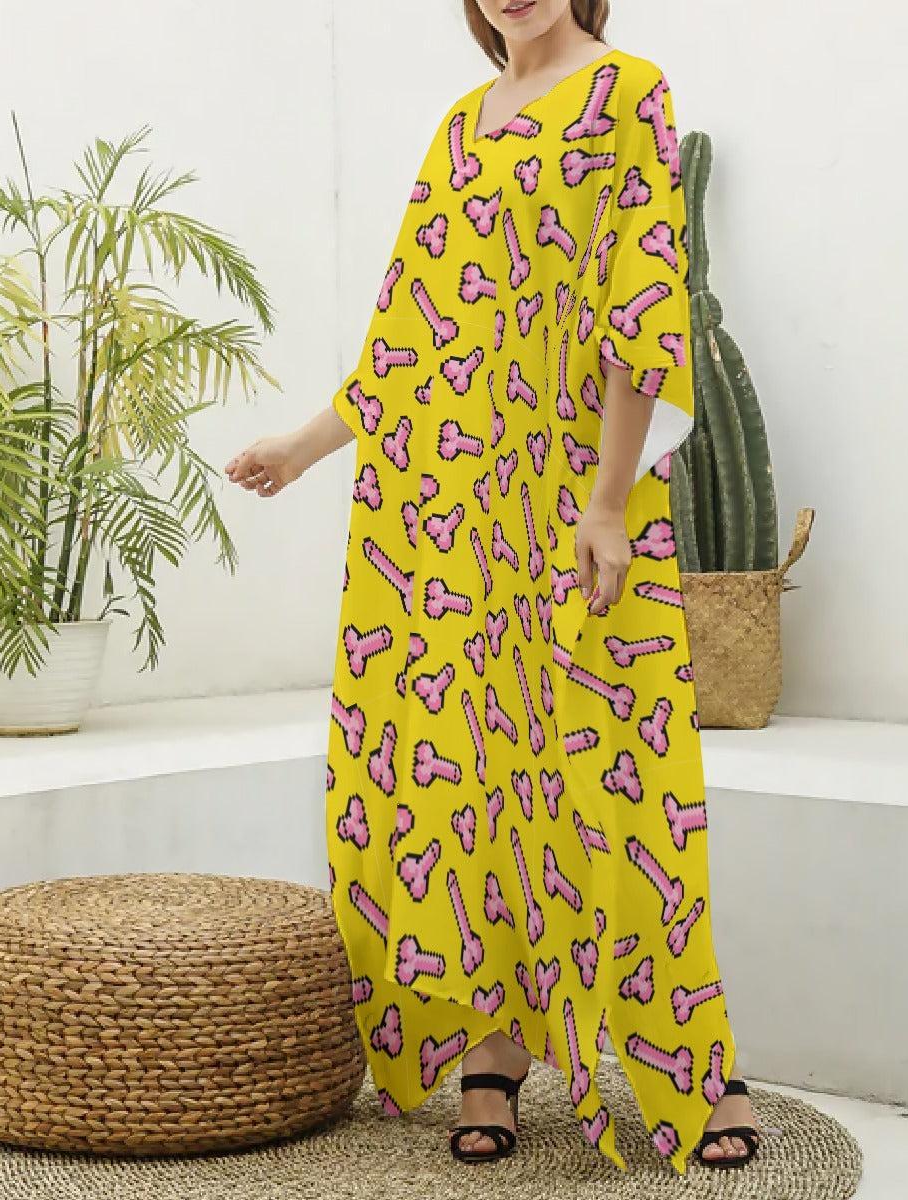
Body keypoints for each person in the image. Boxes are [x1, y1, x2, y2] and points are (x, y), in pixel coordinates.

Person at [225, 0, 760, 1176]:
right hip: (460, 516)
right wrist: (304, 447)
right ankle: (494, 1047)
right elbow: (412, 333)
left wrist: (610, 502)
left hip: (579, 499)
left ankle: (691, 1061)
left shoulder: (628, 92)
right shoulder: (463, 125)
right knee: (472, 773)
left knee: (620, 774)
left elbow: (642, 306)